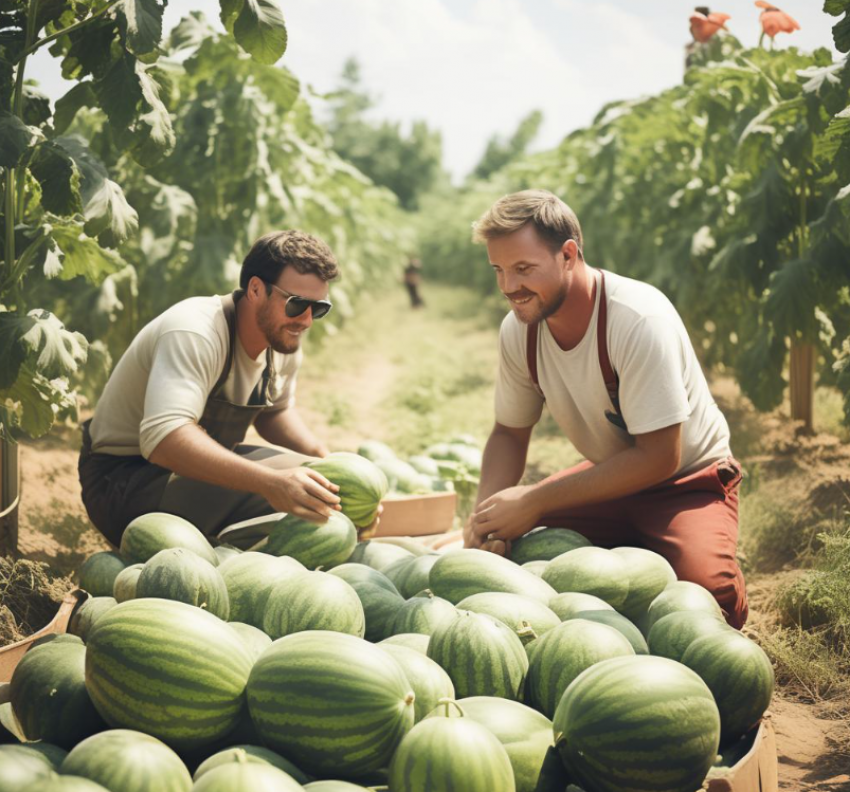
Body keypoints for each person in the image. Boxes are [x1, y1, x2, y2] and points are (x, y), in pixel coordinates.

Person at [464, 190, 748, 628]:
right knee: (512, 555)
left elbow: (660, 456)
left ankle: (675, 546)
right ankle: (642, 546)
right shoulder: (520, 330)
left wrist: (536, 500)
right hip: (612, 477)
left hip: (687, 480)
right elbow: (509, 432)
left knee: (708, 604)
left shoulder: (637, 319)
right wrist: (484, 521)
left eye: (523, 269)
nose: (508, 287)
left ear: (568, 255)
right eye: (498, 270)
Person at [78, 230, 352, 547]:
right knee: (296, 496)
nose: (306, 320)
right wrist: (271, 483)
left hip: (184, 476)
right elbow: (165, 439)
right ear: (255, 289)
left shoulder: (282, 339)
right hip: (124, 484)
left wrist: (329, 462)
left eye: (318, 308)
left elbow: (274, 413)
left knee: (321, 483)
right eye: (296, 304)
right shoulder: (196, 331)